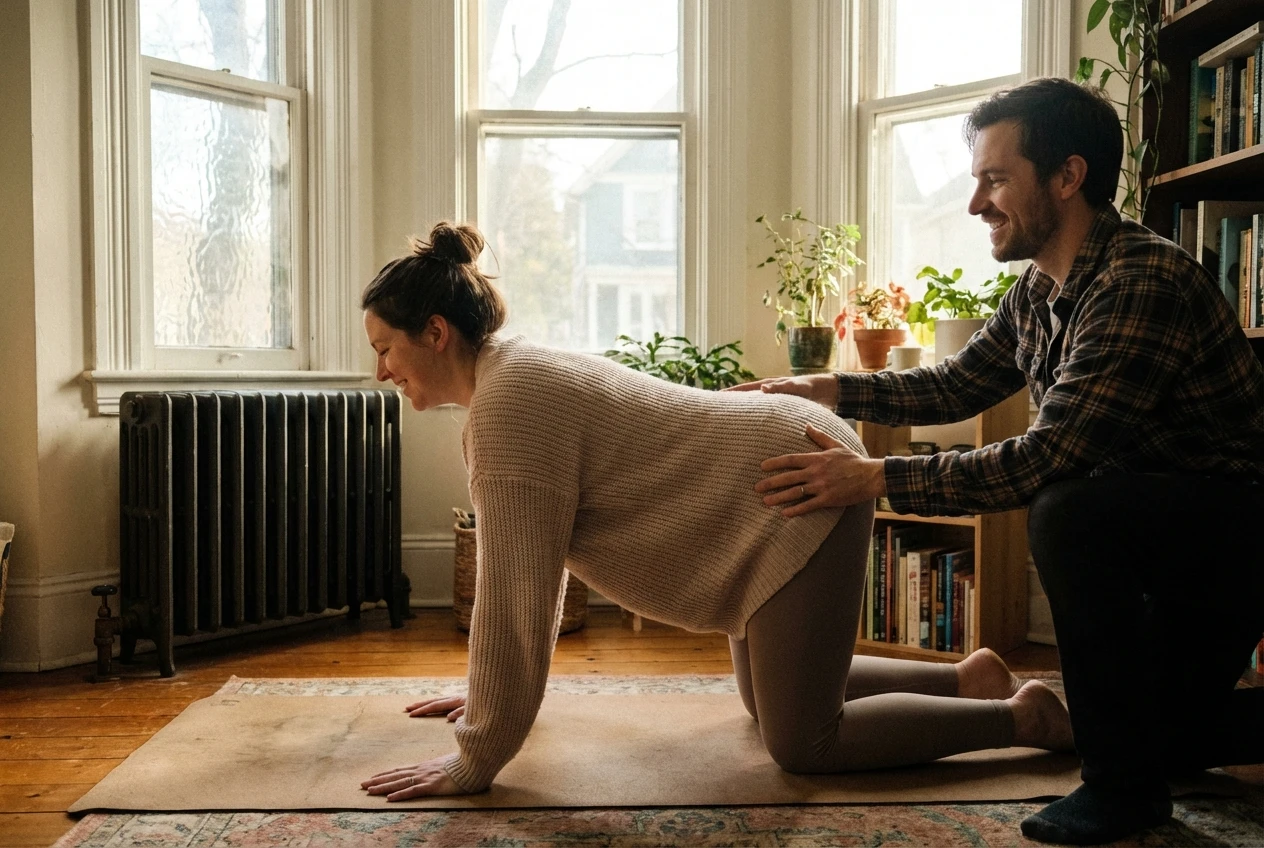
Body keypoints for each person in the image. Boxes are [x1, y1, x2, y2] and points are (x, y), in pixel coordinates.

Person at [357, 221, 1074, 803]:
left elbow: (517, 591)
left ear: (436, 332)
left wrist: (478, 752)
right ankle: (968, 681)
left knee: (806, 742)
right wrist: (489, 694)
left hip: (792, 484)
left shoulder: (509, 403)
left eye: (385, 349)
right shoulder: (510, 377)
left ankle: (1020, 717)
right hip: (763, 481)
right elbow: (523, 579)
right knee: (767, 702)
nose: (381, 371)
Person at [736, 77, 1264, 846]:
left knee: (1069, 512)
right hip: (1158, 534)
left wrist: (875, 478)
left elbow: (1047, 458)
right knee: (1168, 734)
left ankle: (1122, 795)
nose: (976, 203)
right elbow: (957, 383)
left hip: (1231, 538)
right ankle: (1113, 735)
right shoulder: (1041, 288)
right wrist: (831, 387)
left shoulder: (1139, 281)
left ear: (1068, 176)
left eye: (994, 179)